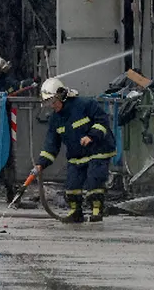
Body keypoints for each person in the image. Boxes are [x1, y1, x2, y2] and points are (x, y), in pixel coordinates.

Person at [32, 77, 115, 223]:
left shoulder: (85, 105)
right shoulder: (56, 119)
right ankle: (76, 212)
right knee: (72, 186)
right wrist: (41, 164)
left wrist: (91, 136)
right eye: (48, 103)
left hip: (98, 150)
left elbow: (102, 121)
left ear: (62, 96)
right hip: (77, 155)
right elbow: (51, 144)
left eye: (53, 102)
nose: (52, 106)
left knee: (94, 181)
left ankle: (97, 211)